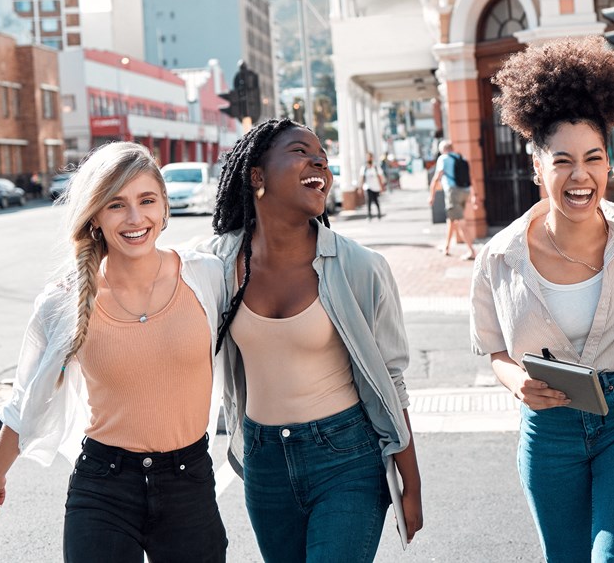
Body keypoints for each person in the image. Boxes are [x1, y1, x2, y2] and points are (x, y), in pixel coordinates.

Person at [470, 36, 614, 562]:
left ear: (608, 166)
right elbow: (493, 349)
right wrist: (518, 381)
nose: (580, 175)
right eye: (562, 161)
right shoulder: (500, 257)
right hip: (550, 430)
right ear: (537, 167)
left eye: (593, 158)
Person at [0, 142, 228, 562]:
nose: (134, 218)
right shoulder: (63, 301)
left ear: (164, 207)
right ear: (95, 217)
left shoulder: (206, 276)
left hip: (188, 484)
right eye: (115, 205)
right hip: (104, 486)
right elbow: (28, 397)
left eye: (146, 200)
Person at [198, 119, 423, 562]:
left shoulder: (361, 267)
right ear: (257, 177)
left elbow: (391, 380)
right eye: (300, 151)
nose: (319, 160)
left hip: (347, 457)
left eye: (322, 154)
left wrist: (410, 482)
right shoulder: (217, 264)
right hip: (264, 461)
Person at [428, 139, 478, 259]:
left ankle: (471, 251)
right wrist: (475, 195)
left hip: (453, 192)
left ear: (442, 150)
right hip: (465, 192)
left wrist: (432, 195)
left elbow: (436, 178)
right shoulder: (462, 158)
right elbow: (471, 178)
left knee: (460, 221)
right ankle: (447, 247)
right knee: (452, 219)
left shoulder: (443, 159)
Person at [361, 152, 386, 220]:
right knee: (368, 200)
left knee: (375, 200)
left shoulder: (376, 167)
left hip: (376, 187)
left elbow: (380, 177)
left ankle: (379, 213)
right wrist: (360, 187)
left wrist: (382, 187)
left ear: (372, 158)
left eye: (370, 157)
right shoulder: (364, 168)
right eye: (367, 157)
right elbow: (362, 178)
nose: (368, 158)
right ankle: (369, 215)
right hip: (368, 187)